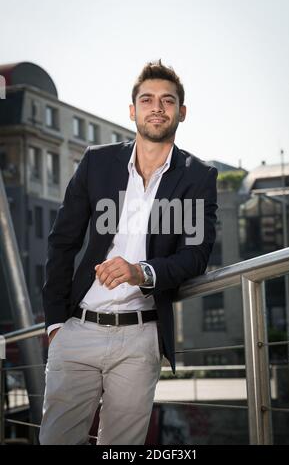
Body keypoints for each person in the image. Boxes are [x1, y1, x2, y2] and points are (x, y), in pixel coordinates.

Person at [39, 60, 218, 445]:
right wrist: (55, 323)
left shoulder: (198, 176)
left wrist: (142, 272)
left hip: (141, 337)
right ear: (132, 109)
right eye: (147, 99)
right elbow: (62, 241)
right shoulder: (96, 161)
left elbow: (196, 254)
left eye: (168, 101)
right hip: (78, 329)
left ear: (181, 112)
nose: (158, 107)